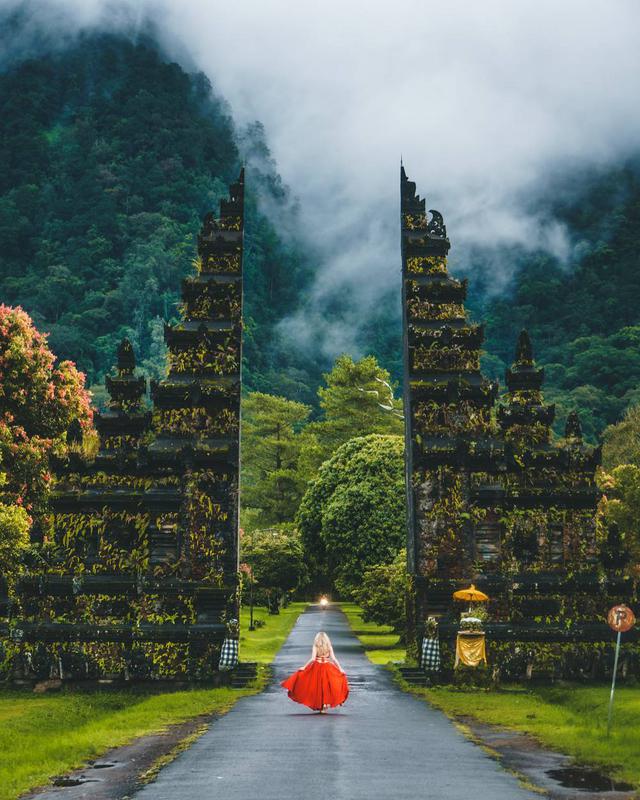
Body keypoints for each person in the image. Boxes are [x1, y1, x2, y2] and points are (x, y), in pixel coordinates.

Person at [281, 631, 349, 713]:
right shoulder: (329, 647)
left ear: (317, 639)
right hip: (328, 667)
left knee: (317, 686)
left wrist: (304, 667)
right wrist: (340, 668)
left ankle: (321, 706)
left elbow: (313, 659)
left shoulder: (315, 646)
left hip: (317, 667)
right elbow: (334, 659)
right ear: (327, 640)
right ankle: (324, 705)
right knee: (327, 686)